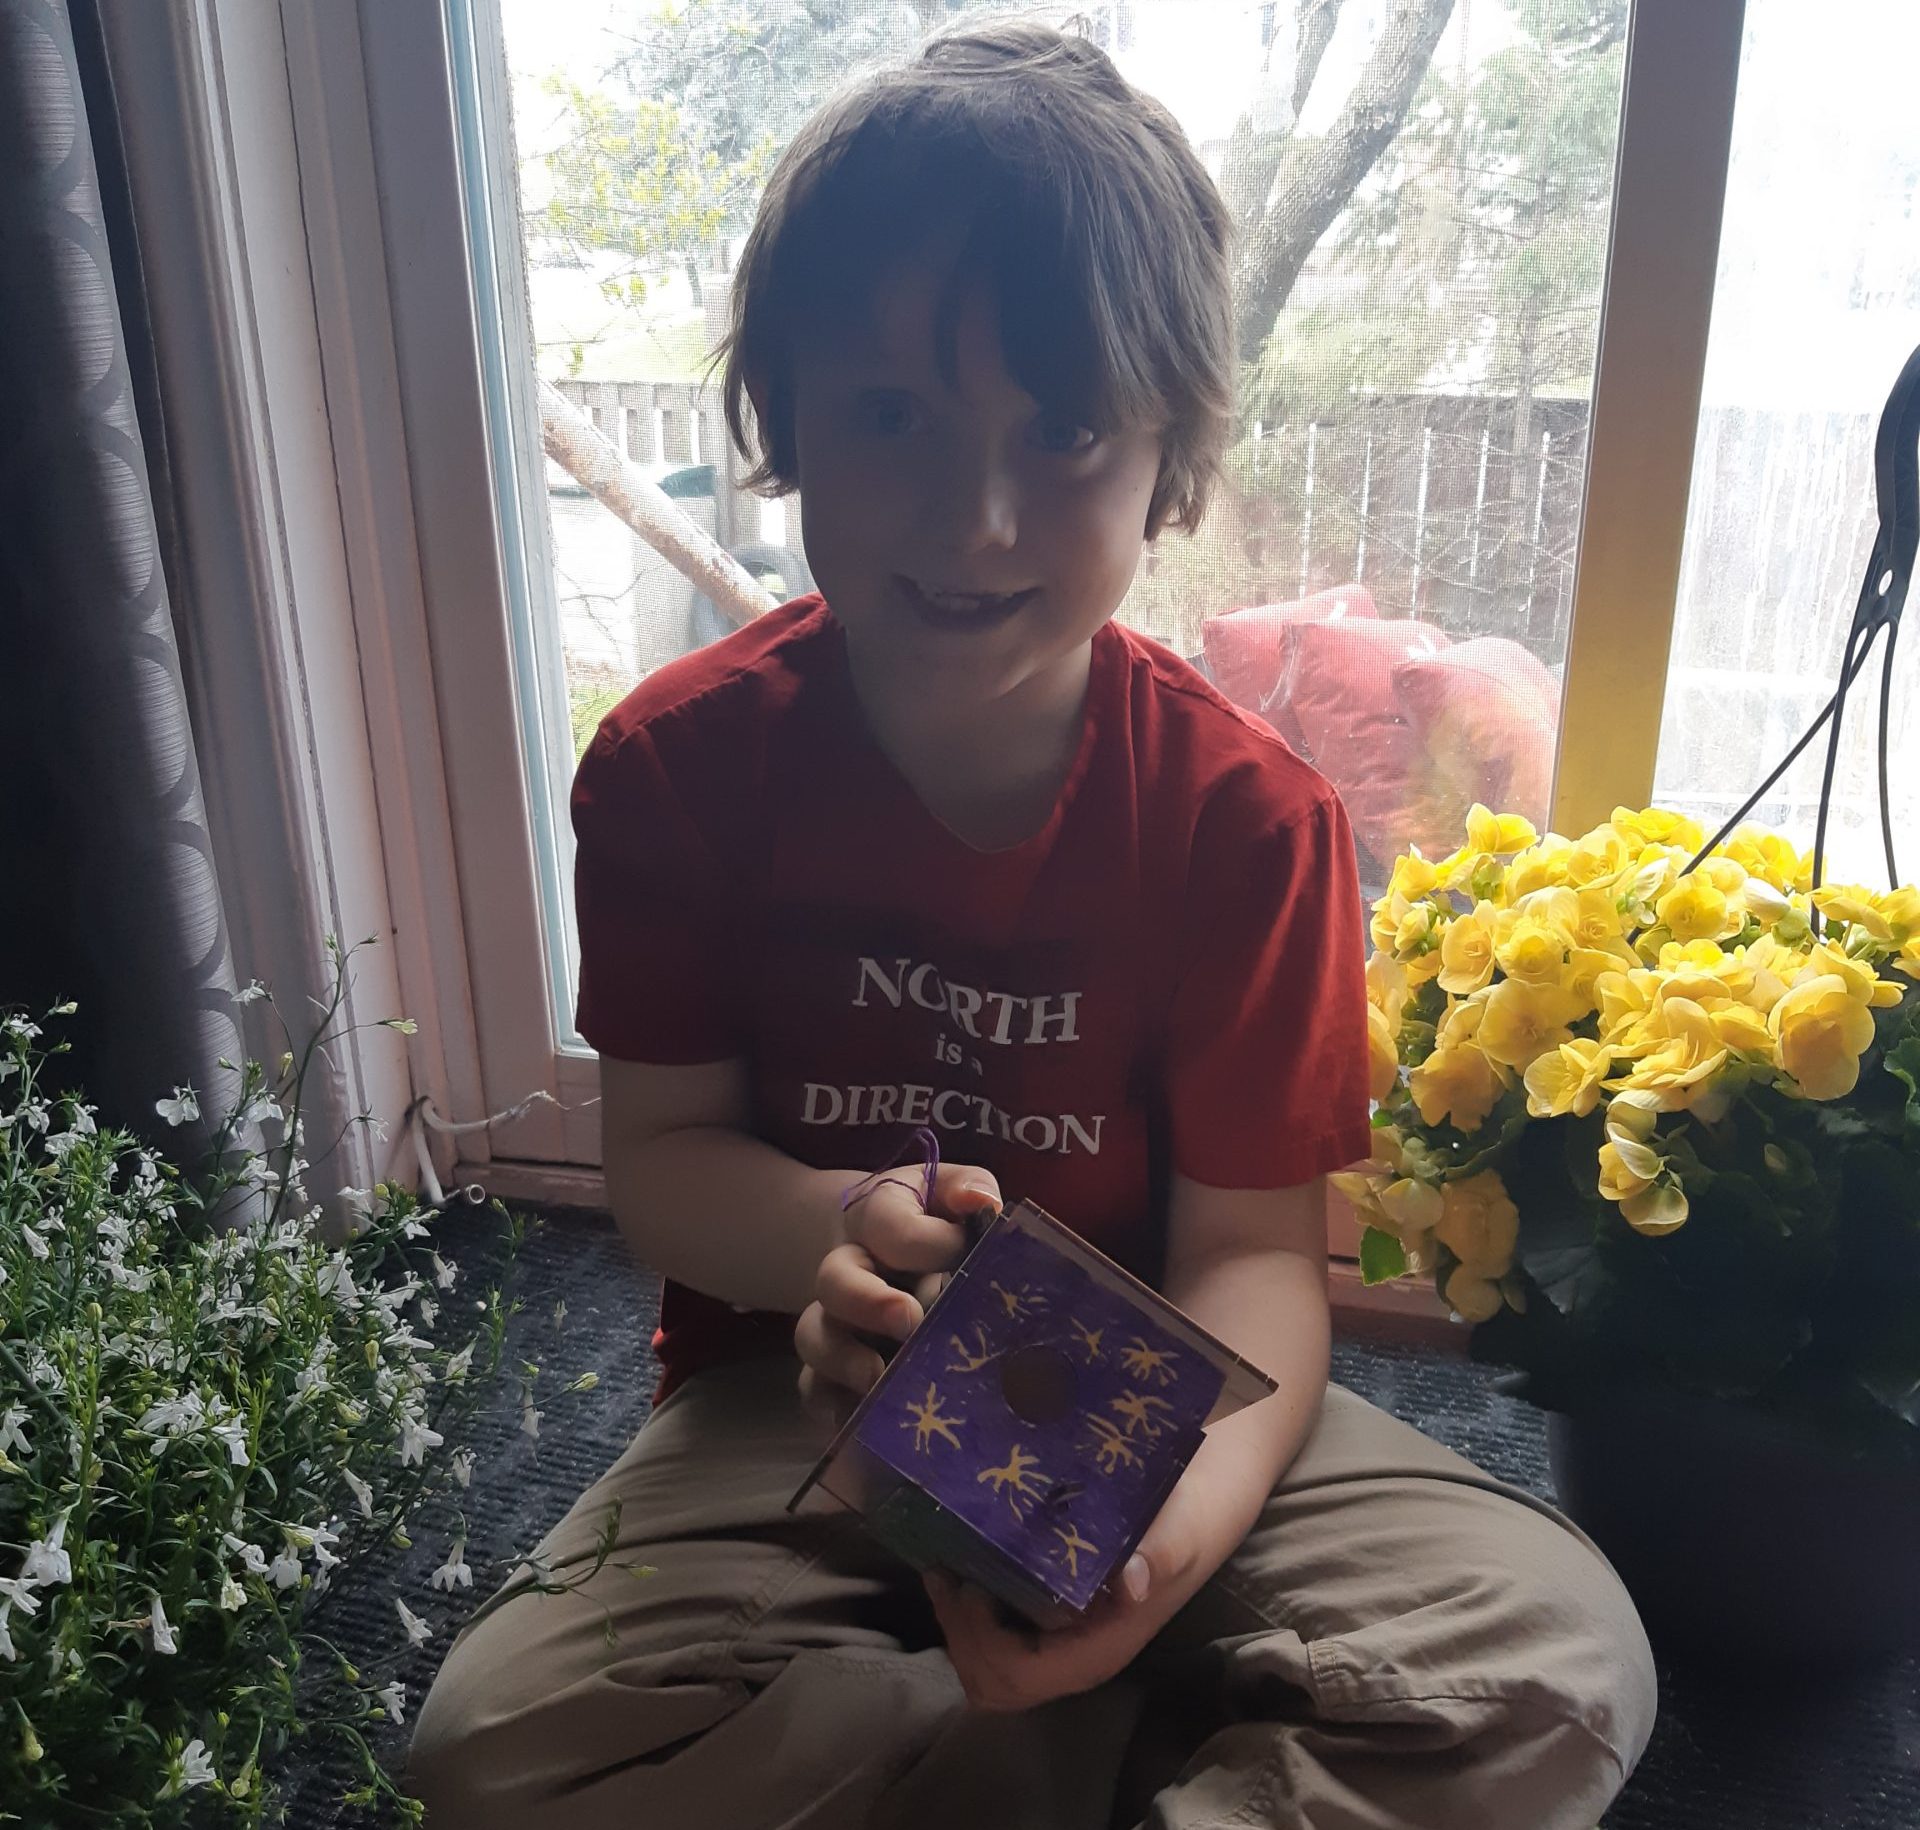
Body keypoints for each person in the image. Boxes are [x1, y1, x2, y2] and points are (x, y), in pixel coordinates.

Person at [408, 24, 1655, 1829]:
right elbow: (667, 1159)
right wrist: (841, 1233)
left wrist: (1164, 1540)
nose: (975, 516)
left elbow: (1254, 1265)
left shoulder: (1252, 821)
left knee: (1559, 1652)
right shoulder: (678, 771)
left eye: (1063, 430)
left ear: (1168, 457)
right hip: (799, 1406)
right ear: (782, 421)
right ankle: (1094, 1752)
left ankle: (999, 1731)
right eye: (893, 414)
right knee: (499, 1749)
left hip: (1167, 1403)